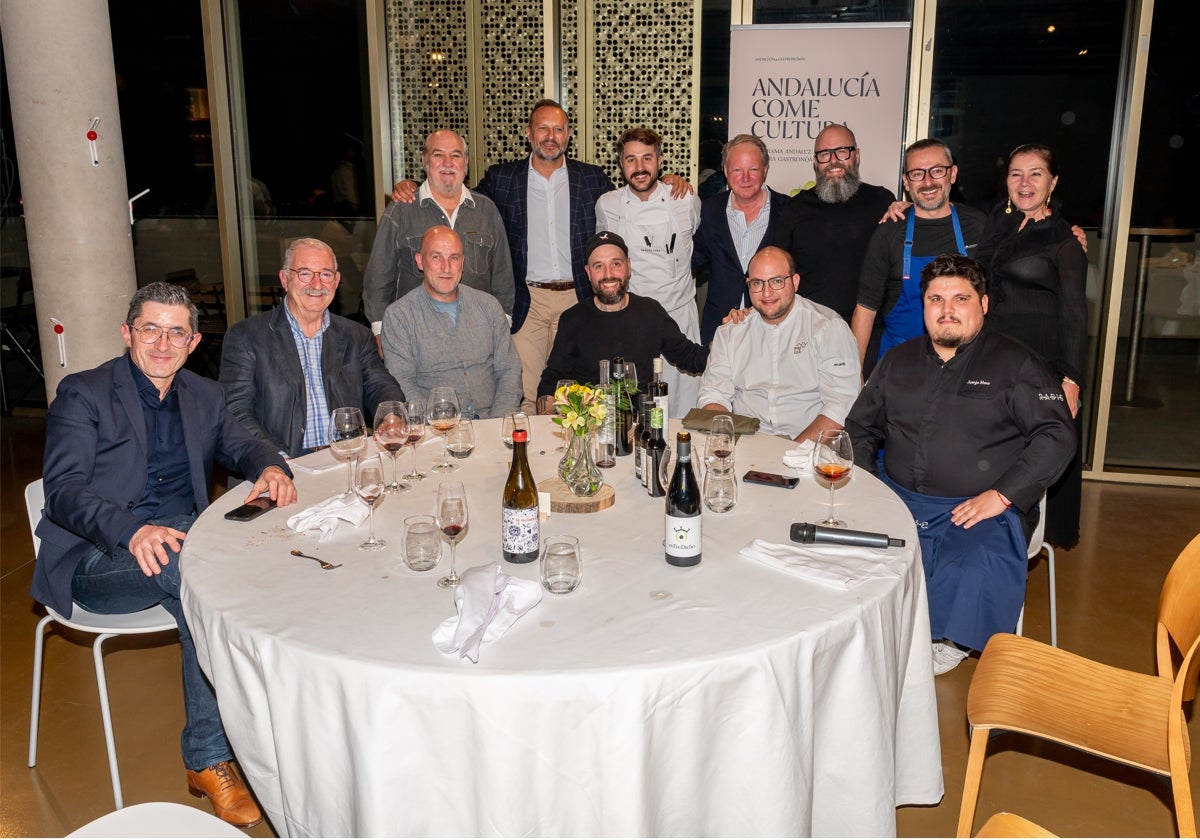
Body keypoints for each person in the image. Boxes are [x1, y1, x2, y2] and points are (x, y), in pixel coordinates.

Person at [30, 282, 298, 827]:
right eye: (150, 328)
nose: (162, 342)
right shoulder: (83, 393)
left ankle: (228, 745)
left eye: (176, 331)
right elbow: (63, 489)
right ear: (127, 332)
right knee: (199, 567)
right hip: (98, 558)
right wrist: (130, 529)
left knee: (220, 570)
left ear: (194, 341)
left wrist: (271, 466)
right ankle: (218, 750)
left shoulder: (203, 394)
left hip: (183, 550)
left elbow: (245, 443)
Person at [844, 254, 1075, 675]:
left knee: (971, 563)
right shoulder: (898, 361)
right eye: (936, 299)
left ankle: (948, 638)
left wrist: (1003, 494)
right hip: (898, 499)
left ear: (983, 304)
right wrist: (869, 487)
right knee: (844, 549)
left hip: (979, 506)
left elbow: (1057, 435)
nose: (947, 309)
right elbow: (860, 427)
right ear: (925, 305)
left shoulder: (1018, 364)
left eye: (960, 298)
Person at [392, 101, 690, 411]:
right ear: (528, 133)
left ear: (568, 135)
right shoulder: (502, 179)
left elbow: (631, 195)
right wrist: (415, 185)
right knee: (528, 393)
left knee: (577, 391)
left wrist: (665, 181)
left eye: (558, 129)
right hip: (528, 301)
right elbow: (460, 200)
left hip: (578, 299)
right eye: (543, 128)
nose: (550, 136)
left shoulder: (591, 178)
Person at [978, 143, 1089, 548]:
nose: (1024, 183)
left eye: (1036, 173)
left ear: (1053, 181)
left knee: (1033, 454)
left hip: (1041, 364)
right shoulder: (996, 224)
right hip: (993, 359)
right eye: (1015, 174)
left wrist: (1072, 380)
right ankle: (988, 528)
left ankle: (1016, 544)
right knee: (995, 449)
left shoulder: (1064, 240)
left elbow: (1076, 315)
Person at [221, 237, 405, 458]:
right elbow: (236, 411)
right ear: (285, 278)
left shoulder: (357, 336)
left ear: (337, 281)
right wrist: (277, 458)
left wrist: (391, 415)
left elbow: (380, 384)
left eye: (326, 274)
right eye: (305, 274)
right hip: (280, 461)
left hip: (343, 457)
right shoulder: (246, 337)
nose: (317, 285)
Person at [850, 138, 987, 376]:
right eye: (917, 174)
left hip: (968, 365)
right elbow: (865, 309)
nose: (927, 182)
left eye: (936, 171)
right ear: (906, 181)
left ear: (952, 174)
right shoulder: (889, 231)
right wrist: (855, 377)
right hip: (900, 365)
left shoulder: (978, 226)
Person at [363, 129, 514, 343]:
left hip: (477, 337)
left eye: (455, 155)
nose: (447, 163)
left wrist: (502, 327)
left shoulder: (486, 211)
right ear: (425, 161)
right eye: (438, 155)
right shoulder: (402, 209)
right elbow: (378, 276)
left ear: (466, 162)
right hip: (414, 337)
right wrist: (380, 331)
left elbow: (503, 278)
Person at [697, 246, 860, 441]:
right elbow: (713, 395)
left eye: (777, 281)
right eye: (757, 283)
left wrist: (791, 453)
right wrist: (726, 442)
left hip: (813, 446)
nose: (767, 293)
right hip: (749, 445)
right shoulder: (731, 332)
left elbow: (840, 404)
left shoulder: (827, 328)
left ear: (795, 282)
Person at [536, 231, 708, 413]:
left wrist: (729, 336)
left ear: (629, 267)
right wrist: (547, 417)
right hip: (589, 427)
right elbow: (551, 379)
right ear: (588, 273)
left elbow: (691, 357)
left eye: (616, 264)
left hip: (639, 427)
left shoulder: (650, 311)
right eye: (598, 266)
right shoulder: (572, 319)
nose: (608, 274)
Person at [595, 126, 702, 414]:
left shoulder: (685, 199)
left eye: (647, 158)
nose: (639, 167)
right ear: (621, 164)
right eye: (631, 160)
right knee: (635, 402)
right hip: (635, 319)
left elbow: (700, 246)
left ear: (660, 160)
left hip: (680, 316)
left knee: (683, 406)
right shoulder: (608, 205)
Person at [382, 226, 522, 419]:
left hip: (494, 421)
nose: (446, 268)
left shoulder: (489, 306)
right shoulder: (399, 316)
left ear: (462, 263)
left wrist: (499, 423)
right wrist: (443, 428)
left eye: (454, 258)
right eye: (436, 257)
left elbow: (509, 371)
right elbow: (403, 385)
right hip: (437, 430)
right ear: (420, 261)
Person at [770, 124, 897, 323]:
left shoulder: (882, 201)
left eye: (842, 152)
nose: (833, 161)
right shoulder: (796, 208)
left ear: (857, 155)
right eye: (824, 154)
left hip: (871, 328)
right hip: (809, 329)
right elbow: (777, 268)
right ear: (815, 162)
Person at [693, 134, 790, 344]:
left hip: (775, 330)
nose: (745, 178)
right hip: (720, 329)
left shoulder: (789, 211)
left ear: (765, 170)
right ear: (726, 171)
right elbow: (690, 260)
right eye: (737, 170)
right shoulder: (709, 210)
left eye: (753, 170)